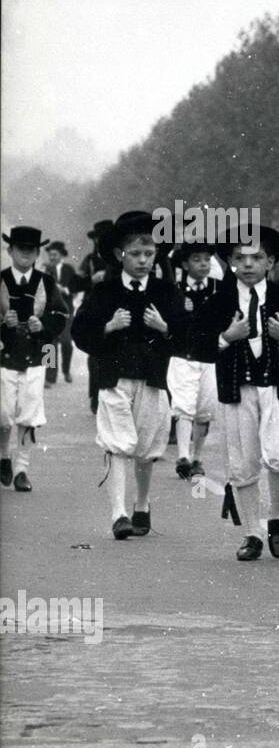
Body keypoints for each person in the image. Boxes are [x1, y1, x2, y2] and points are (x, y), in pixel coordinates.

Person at [193, 225, 279, 561]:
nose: (248, 264)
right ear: (231, 263)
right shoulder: (219, 301)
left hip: (278, 387)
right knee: (242, 462)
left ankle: (276, 515)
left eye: (256, 257)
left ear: (271, 262)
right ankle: (252, 532)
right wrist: (225, 337)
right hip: (236, 390)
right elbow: (195, 343)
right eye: (240, 258)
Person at [70, 212, 182, 536]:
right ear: (120, 254)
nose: (143, 260)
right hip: (113, 377)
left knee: (146, 449)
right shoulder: (104, 293)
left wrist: (164, 329)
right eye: (135, 254)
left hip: (152, 377)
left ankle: (142, 504)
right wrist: (107, 327)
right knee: (118, 443)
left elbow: (188, 337)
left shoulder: (166, 293)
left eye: (149, 254)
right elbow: (80, 332)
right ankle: (119, 514)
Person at [1, 226, 70, 492]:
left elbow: (60, 315)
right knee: (4, 413)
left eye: (31, 250)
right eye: (21, 249)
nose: (26, 255)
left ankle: (22, 469)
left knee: (28, 414)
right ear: (10, 251)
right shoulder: (1, 279)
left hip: (36, 356)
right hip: (4, 356)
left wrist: (43, 326)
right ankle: (4, 457)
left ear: (37, 252)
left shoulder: (47, 282)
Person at [167, 241, 222, 481]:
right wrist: (182, 311)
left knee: (205, 409)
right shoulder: (175, 290)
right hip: (183, 355)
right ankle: (183, 457)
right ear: (185, 264)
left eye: (207, 260)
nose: (203, 264)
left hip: (210, 356)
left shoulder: (219, 289)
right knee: (184, 404)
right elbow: (169, 324)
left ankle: (198, 456)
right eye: (197, 260)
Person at [79, 220, 115, 415]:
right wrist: (90, 280)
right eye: (98, 238)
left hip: (115, 306)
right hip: (94, 306)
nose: (100, 242)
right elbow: (75, 282)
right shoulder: (90, 259)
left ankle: (110, 394)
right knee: (94, 354)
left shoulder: (121, 255)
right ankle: (95, 395)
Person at [42, 241, 77, 385]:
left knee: (67, 342)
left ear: (61, 255)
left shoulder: (69, 269)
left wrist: (64, 289)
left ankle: (66, 370)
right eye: (50, 255)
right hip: (49, 311)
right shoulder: (45, 269)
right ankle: (49, 377)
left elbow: (75, 288)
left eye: (55, 254)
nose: (52, 257)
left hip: (66, 310)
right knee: (50, 344)